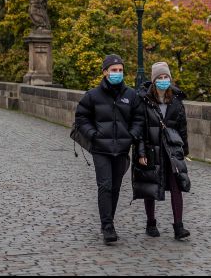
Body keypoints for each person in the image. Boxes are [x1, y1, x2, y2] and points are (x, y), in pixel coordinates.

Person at [74, 54, 144, 245]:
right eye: (114, 70)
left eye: (120, 70)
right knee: (104, 186)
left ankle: (109, 221)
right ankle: (107, 226)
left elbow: (139, 119)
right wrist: (93, 135)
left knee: (115, 188)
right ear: (105, 72)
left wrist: (131, 136)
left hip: (121, 149)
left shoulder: (131, 95)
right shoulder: (93, 95)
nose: (117, 74)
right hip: (101, 148)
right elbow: (81, 118)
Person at [133, 61, 191, 240]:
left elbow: (182, 128)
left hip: (171, 151)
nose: (164, 80)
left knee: (176, 186)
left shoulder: (176, 101)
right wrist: (141, 153)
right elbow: (140, 129)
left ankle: (178, 226)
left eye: (166, 77)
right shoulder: (144, 101)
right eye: (160, 77)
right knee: (150, 185)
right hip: (151, 149)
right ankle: (151, 223)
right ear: (154, 80)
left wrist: (184, 151)